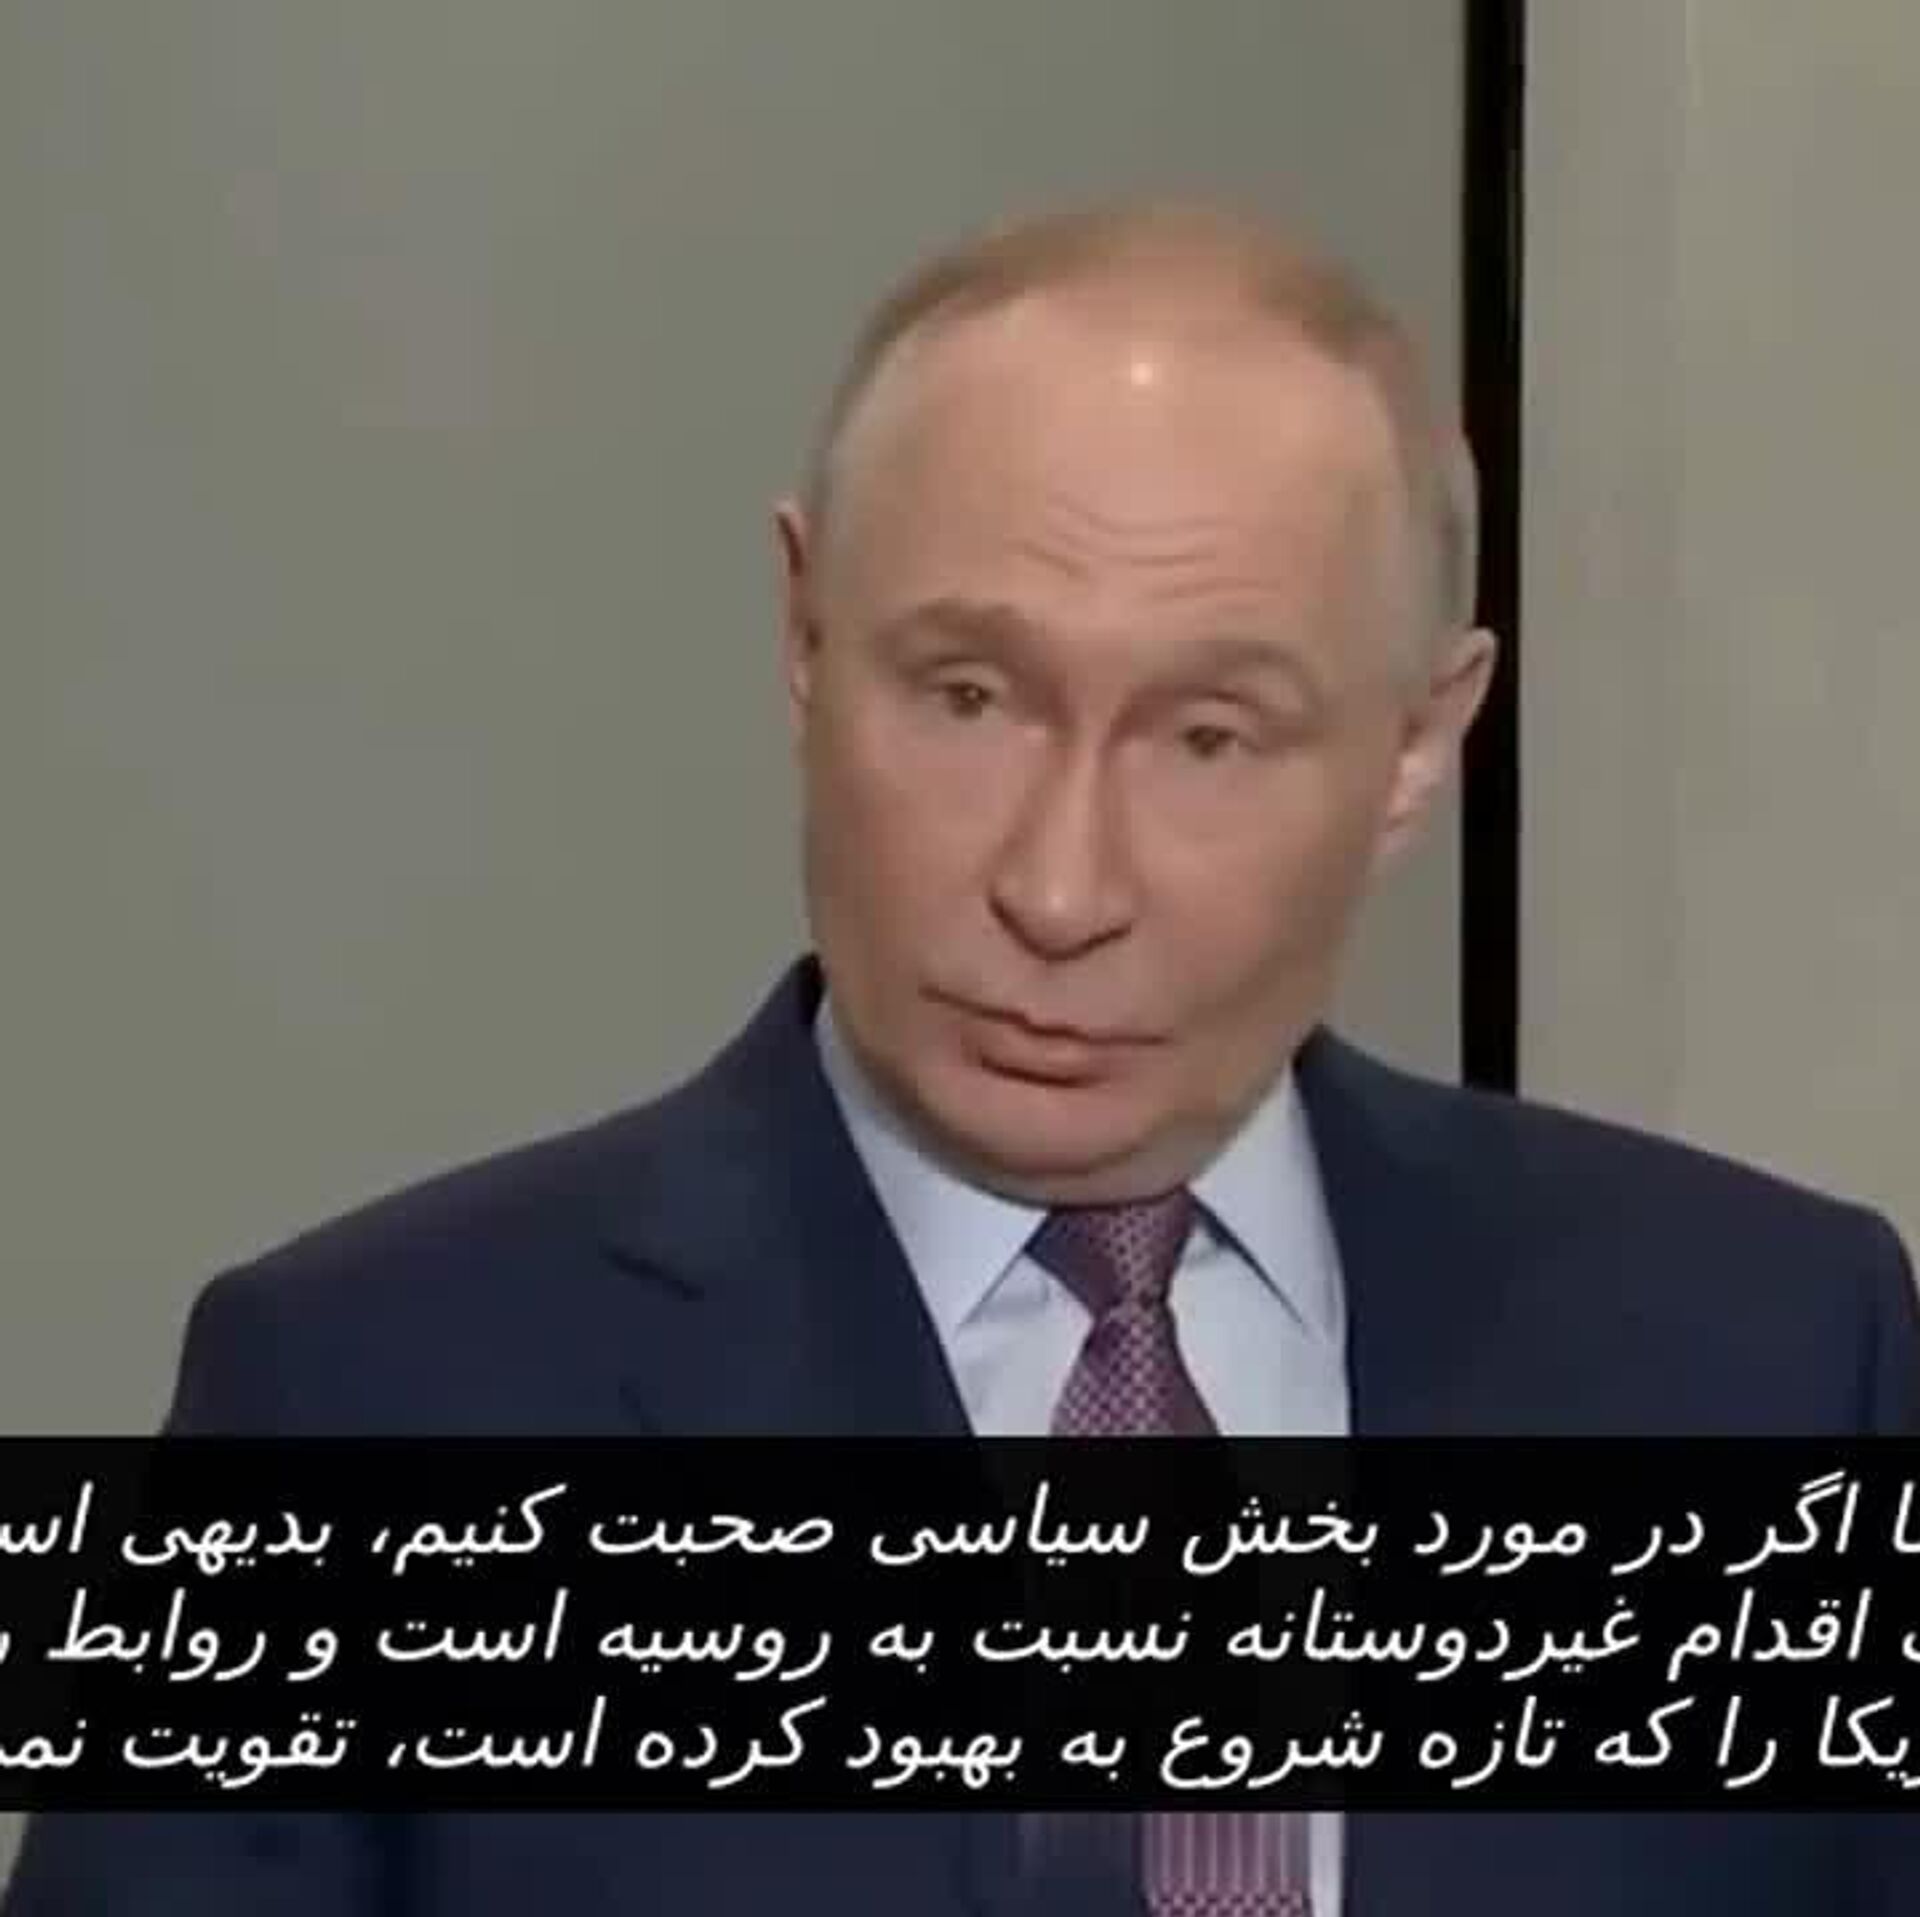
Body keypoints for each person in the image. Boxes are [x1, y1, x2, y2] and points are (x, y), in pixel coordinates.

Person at [7, 197, 1918, 1917]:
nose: (1058, 885)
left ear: (1423, 741)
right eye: (969, 695)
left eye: (1210, 737)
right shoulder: (366, 1406)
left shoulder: (1766, 1361)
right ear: (803, 631)